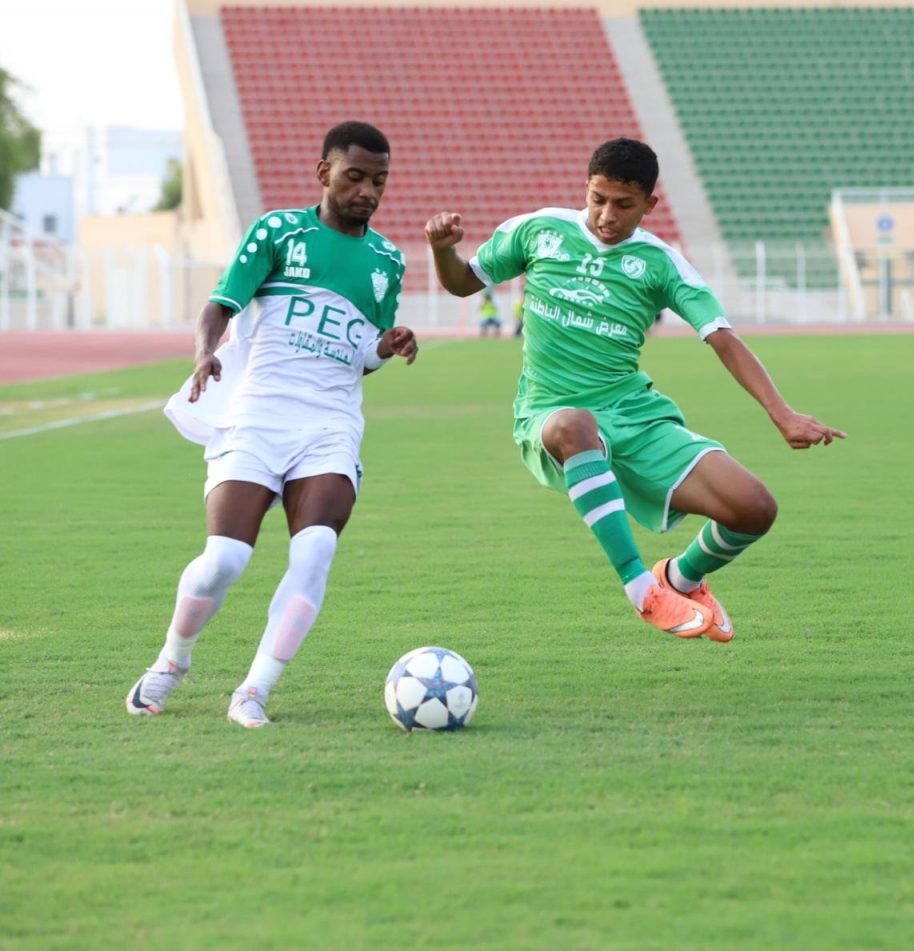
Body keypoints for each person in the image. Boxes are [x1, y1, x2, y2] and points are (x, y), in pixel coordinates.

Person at [424, 137, 844, 642]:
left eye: (624, 205)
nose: (607, 215)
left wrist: (783, 414)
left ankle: (680, 579)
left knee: (754, 509)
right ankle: (642, 590)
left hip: (634, 414)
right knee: (576, 424)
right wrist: (442, 249)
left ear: (650, 204)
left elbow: (723, 339)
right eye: (598, 199)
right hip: (549, 411)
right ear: (586, 187)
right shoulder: (538, 230)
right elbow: (463, 283)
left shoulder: (661, 263)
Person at [127, 121, 418, 728]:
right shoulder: (279, 232)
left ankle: (254, 690)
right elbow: (221, 304)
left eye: (379, 180)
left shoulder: (389, 260)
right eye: (355, 177)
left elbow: (362, 353)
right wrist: (204, 353)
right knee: (224, 559)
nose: (368, 191)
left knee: (314, 551)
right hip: (258, 416)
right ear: (324, 173)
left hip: (330, 425)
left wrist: (386, 346)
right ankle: (172, 660)